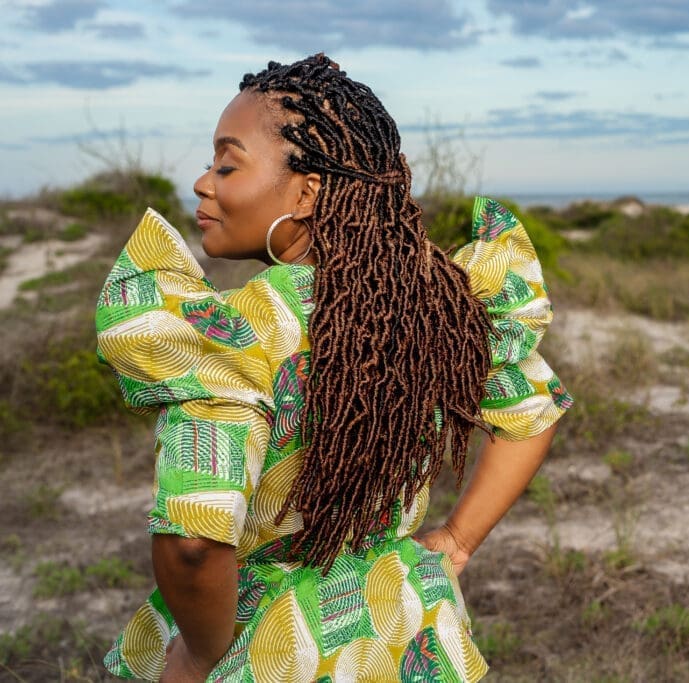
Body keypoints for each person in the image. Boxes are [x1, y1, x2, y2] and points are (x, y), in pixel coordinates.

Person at [95, 53, 572, 682]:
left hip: (270, 643)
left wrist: (207, 653)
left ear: (306, 190)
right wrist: (456, 541)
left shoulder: (235, 335)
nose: (202, 183)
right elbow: (531, 416)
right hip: (400, 625)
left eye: (227, 164)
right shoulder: (438, 306)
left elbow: (191, 544)